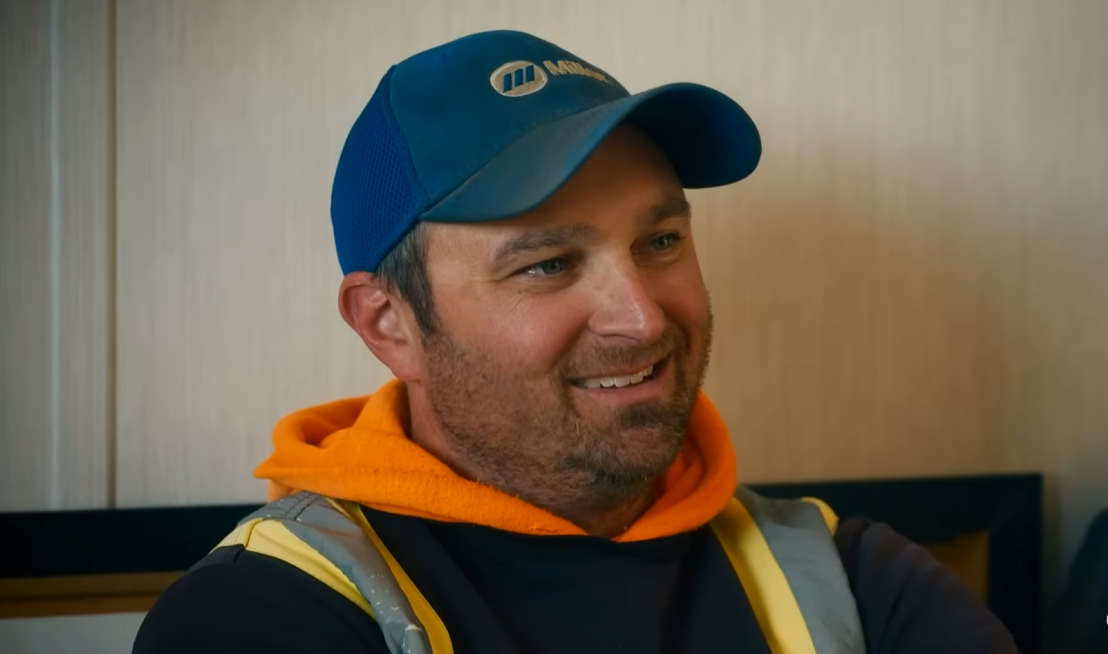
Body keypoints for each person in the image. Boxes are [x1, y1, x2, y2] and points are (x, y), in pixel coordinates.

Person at [132, 29, 1019, 654]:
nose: (642, 318)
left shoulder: (852, 577)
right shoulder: (262, 615)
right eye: (548, 264)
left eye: (661, 241)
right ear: (388, 323)